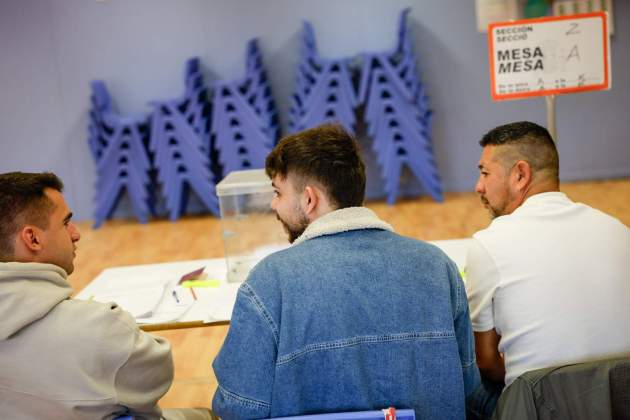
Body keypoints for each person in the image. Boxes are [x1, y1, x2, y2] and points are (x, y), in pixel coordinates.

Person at [212, 124, 480, 419]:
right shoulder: (438, 267)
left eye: (278, 192)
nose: (274, 204)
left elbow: (239, 405)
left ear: (309, 199)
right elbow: (468, 385)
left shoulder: (268, 281)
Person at [0, 172, 213, 420]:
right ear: (33, 238)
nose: (76, 233)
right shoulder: (99, 327)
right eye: (65, 222)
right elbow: (156, 375)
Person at [465, 121, 630, 418]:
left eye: (485, 173)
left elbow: (486, 361)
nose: (479, 186)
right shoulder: (619, 231)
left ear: (520, 174)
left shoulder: (488, 243)